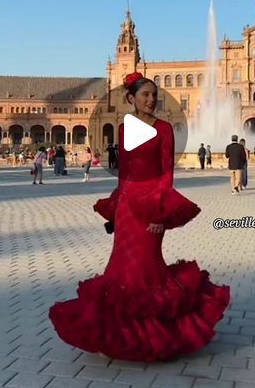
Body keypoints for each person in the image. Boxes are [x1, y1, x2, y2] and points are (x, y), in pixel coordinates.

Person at [49, 71, 230, 362]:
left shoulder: (164, 129)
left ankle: (156, 333)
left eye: (154, 95)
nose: (151, 99)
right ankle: (120, 332)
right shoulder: (124, 128)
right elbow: (125, 171)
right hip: (127, 205)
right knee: (121, 267)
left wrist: (160, 212)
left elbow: (166, 174)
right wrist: (116, 206)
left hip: (151, 202)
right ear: (131, 98)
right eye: (145, 94)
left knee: (147, 266)